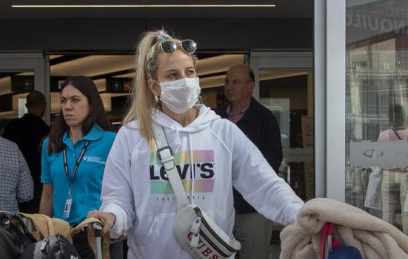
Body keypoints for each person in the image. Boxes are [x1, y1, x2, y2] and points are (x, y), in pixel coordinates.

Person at [88, 30, 303, 259]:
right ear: (154, 86)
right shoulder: (133, 135)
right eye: (172, 75)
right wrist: (111, 217)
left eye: (189, 72)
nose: (185, 81)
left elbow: (265, 186)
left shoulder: (222, 132)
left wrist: (305, 215)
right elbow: (118, 199)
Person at [39, 76, 116, 259]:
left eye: (75, 100)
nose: (67, 106)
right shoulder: (51, 144)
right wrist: (42, 235)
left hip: (96, 233)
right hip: (60, 235)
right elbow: (47, 195)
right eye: (63, 100)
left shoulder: (110, 141)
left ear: (91, 105)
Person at [216, 64, 283, 259]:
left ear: (250, 86)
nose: (229, 86)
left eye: (236, 82)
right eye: (227, 82)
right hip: (219, 209)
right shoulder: (214, 118)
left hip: (252, 210)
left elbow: (271, 163)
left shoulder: (264, 119)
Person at [3, 90, 50, 213]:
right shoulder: (47, 131)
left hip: (12, 184)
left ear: (27, 106)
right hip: (39, 185)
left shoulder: (12, 127)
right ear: (44, 105)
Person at [376, 103, 408, 235]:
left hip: (388, 175)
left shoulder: (384, 135)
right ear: (403, 117)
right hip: (405, 175)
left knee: (387, 213)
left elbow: (376, 157)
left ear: (389, 118)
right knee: (407, 213)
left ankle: (388, 243)